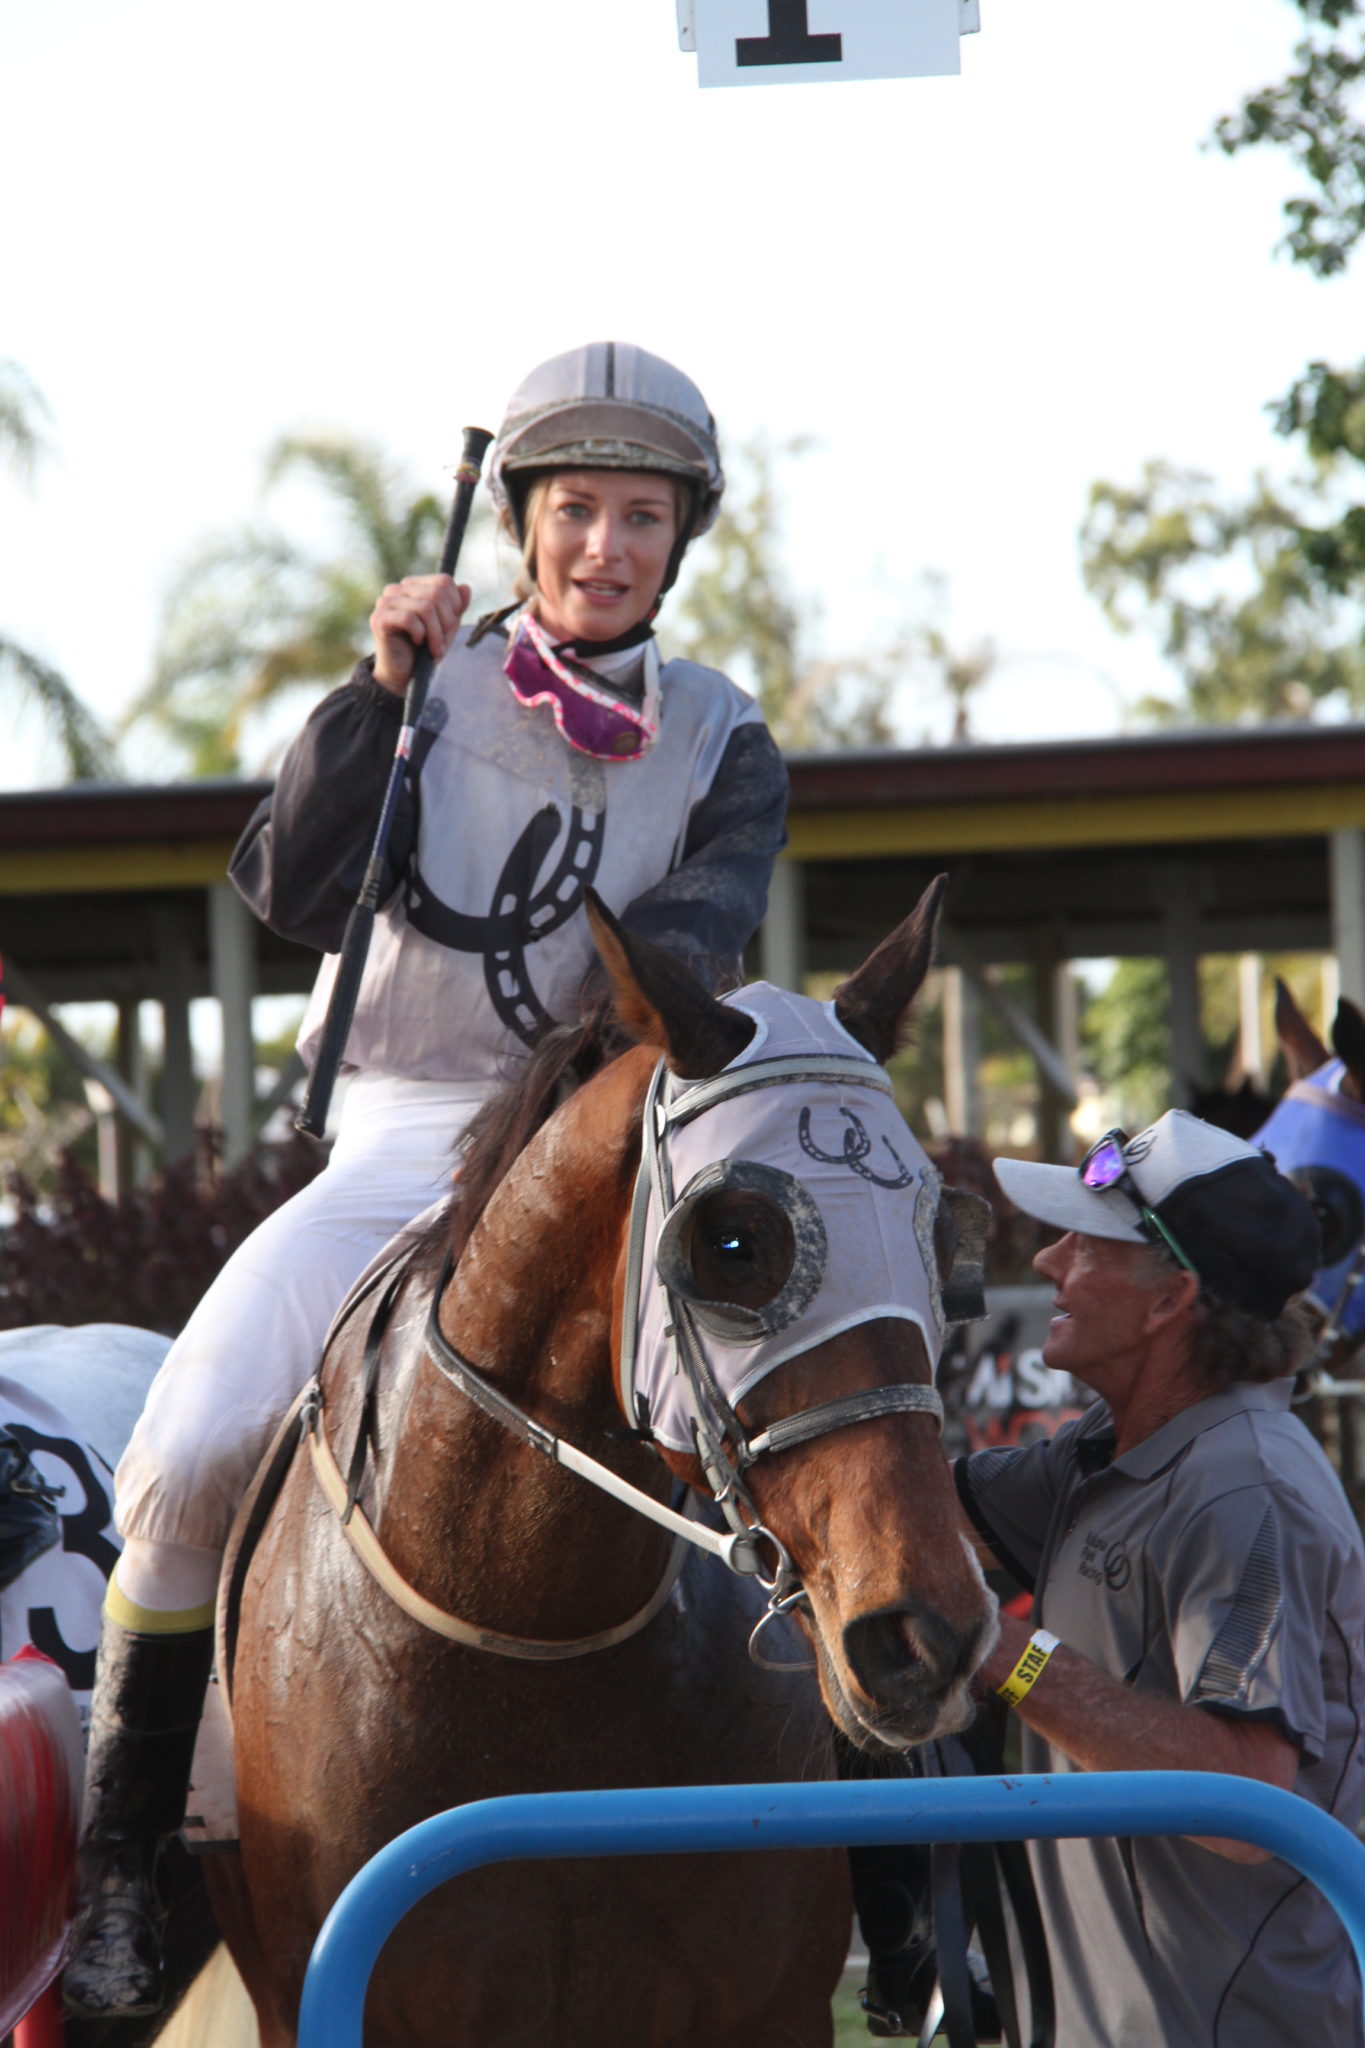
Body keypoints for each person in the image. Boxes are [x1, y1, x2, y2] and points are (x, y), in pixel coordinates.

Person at [65, 341, 790, 2017]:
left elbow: (686, 947)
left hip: (602, 1138)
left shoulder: (725, 738)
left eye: (640, 515)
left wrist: (590, 1112)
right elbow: (290, 889)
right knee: (175, 1464)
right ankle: (122, 1878)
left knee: (808, 1439)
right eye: (574, 511)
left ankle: (886, 1875)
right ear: (521, 523)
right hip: (398, 1126)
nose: (604, 545)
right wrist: (379, 694)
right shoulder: (427, 686)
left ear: (680, 542)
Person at [953, 1110, 1365, 2048]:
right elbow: (907, 1523)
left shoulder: (1246, 1489)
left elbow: (1240, 1800)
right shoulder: (1112, 1449)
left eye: (1082, 1243)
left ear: (1168, 1299)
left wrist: (999, 1651)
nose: (1048, 1264)